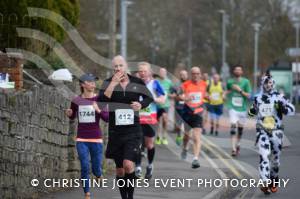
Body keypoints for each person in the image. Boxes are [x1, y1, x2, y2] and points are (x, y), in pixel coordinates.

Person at [98, 56, 153, 199]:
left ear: (126, 66)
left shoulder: (136, 82)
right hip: (116, 131)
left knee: (128, 165)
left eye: (120, 65)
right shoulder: (108, 83)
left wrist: (141, 105)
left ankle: (130, 197)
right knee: (120, 170)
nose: (118, 69)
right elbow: (102, 104)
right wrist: (112, 84)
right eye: (115, 66)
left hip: (133, 130)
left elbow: (149, 97)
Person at [248, 71, 295, 194]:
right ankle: (264, 181)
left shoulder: (279, 97)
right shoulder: (257, 98)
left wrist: (283, 108)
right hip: (262, 131)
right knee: (264, 156)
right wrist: (252, 110)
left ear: (273, 84)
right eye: (265, 83)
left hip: (276, 132)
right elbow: (251, 113)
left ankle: (273, 180)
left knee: (275, 160)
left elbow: (292, 110)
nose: (268, 85)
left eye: (270, 83)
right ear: (262, 84)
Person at [65, 73, 108, 199]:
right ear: (83, 84)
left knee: (95, 168)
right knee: (84, 165)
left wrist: (98, 110)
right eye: (90, 81)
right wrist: (69, 113)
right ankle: (87, 193)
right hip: (81, 139)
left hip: (96, 139)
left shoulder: (99, 100)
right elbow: (72, 115)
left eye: (94, 81)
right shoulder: (76, 100)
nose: (93, 83)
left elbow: (107, 118)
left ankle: (99, 175)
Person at [135, 62, 165, 179]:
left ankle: (150, 165)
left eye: (144, 71)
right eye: (140, 71)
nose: (142, 73)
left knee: (149, 144)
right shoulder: (135, 84)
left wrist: (155, 99)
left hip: (150, 119)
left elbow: (163, 99)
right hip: (137, 118)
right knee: (137, 143)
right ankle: (137, 167)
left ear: (149, 72)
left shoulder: (155, 83)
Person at [180, 67, 207, 169]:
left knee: (196, 137)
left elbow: (205, 94)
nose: (196, 75)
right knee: (186, 136)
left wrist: (208, 97)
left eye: (198, 73)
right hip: (187, 113)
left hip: (198, 113)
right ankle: (185, 148)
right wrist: (185, 98)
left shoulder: (204, 84)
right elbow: (179, 95)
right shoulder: (185, 84)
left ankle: (195, 159)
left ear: (200, 74)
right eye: (194, 73)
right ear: (191, 74)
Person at [226, 64, 251, 156]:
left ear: (242, 72)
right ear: (234, 72)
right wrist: (224, 94)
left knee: (240, 130)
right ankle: (233, 149)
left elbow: (249, 96)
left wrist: (240, 90)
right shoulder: (230, 82)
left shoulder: (246, 82)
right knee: (233, 128)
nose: (237, 71)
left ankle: (238, 144)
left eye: (239, 70)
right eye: (236, 70)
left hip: (242, 109)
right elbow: (228, 90)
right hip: (232, 108)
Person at [155, 67, 173, 145]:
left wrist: (168, 94)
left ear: (166, 73)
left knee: (165, 120)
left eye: (164, 72)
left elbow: (173, 92)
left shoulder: (169, 82)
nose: (162, 74)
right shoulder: (156, 81)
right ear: (159, 73)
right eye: (161, 72)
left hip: (166, 104)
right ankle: (158, 137)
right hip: (158, 104)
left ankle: (164, 136)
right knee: (158, 121)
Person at [172, 69, 189, 145]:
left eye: (185, 75)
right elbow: (171, 95)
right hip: (178, 107)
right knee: (178, 125)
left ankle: (186, 139)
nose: (183, 76)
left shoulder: (190, 84)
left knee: (186, 125)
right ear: (180, 76)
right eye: (182, 74)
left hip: (187, 108)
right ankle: (179, 135)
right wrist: (177, 97)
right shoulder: (176, 85)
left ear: (187, 75)